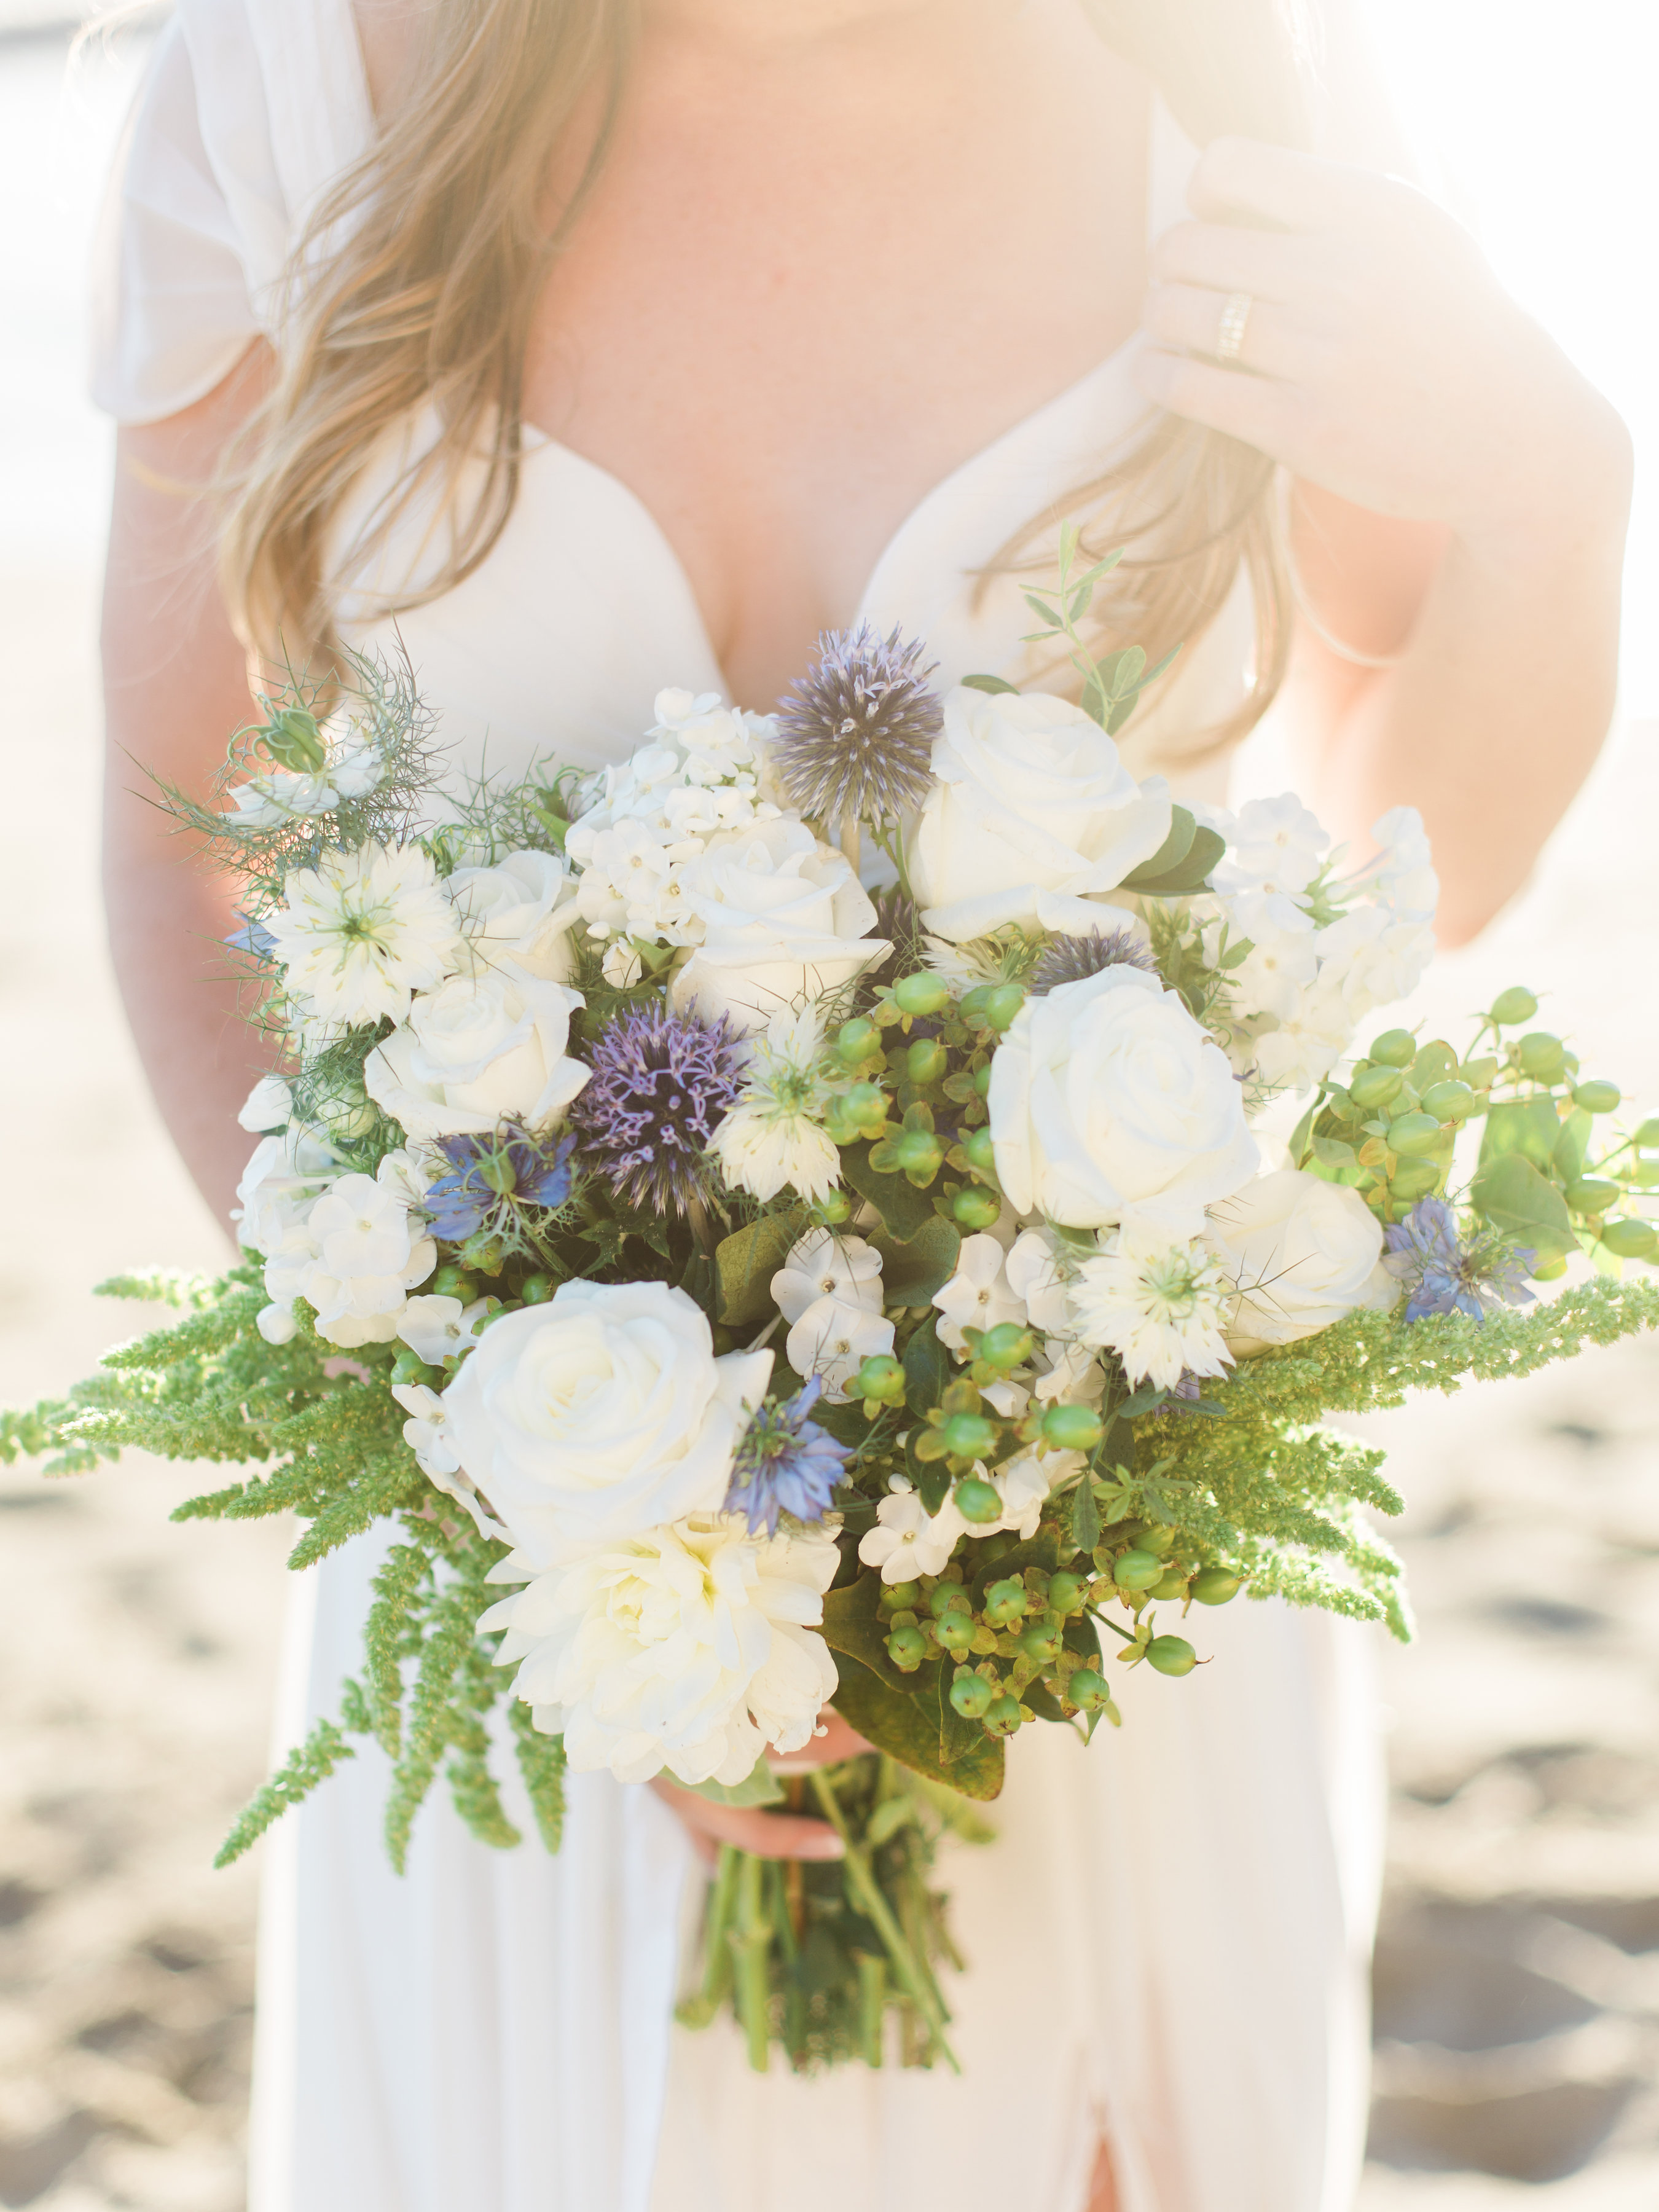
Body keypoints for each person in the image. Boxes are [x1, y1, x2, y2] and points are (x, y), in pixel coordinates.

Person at [92, 1, 1631, 2206]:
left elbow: (1429, 862)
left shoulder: (1240, 104)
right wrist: (545, 1502)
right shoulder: (279, 96)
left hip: (1090, 1573)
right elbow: (179, 850)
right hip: (527, 1583)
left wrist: (1553, 498)